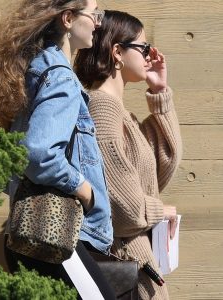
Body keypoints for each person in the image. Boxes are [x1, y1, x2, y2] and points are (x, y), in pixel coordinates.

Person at [0, 1, 116, 299]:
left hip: (27, 233)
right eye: (95, 14)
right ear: (67, 19)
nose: (99, 23)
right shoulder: (59, 76)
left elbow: (16, 158)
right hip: (56, 236)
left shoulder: (34, 69)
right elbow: (38, 154)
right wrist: (85, 190)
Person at [75, 10, 182, 300]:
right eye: (143, 47)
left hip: (138, 260)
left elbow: (164, 164)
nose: (151, 55)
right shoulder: (102, 110)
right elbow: (124, 211)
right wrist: (162, 211)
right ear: (117, 52)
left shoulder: (121, 114)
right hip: (125, 260)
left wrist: (159, 92)